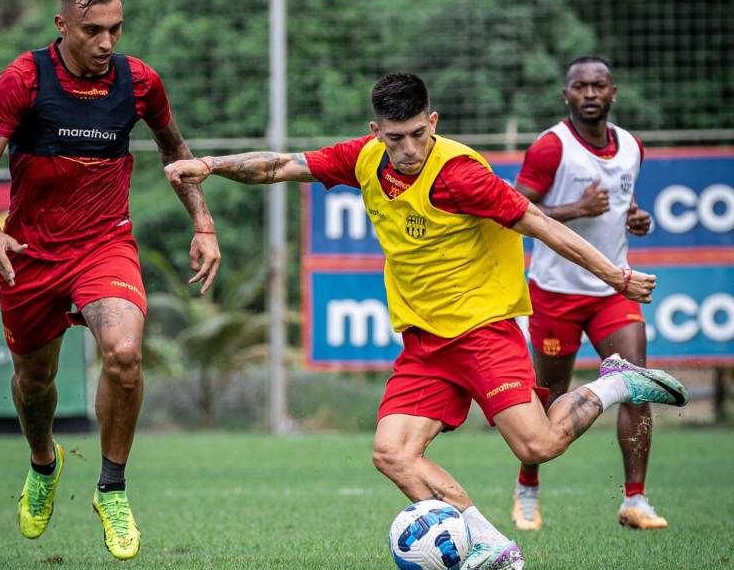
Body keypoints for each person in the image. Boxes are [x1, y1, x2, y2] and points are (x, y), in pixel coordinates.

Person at [164, 72, 688, 570]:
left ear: (432, 122)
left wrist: (615, 275)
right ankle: (492, 546)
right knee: (392, 453)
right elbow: (280, 166)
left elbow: (541, 223)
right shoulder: (366, 159)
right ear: (377, 133)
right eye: (396, 138)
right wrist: (210, 164)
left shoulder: (461, 174)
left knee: (537, 446)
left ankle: (617, 382)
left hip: (484, 331)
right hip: (425, 343)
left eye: (418, 134)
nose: (409, 149)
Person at [0, 0, 220, 560]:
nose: (106, 43)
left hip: (104, 244)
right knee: (35, 384)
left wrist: (202, 222)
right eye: (92, 30)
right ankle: (44, 463)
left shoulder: (140, 82)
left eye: (116, 29)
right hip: (29, 253)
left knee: (124, 354)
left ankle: (112, 487)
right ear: (62, 26)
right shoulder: (22, 81)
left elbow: (176, 153)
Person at [510, 56, 664, 532]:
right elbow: (515, 206)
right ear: (567, 95)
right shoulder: (551, 147)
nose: (591, 94)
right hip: (555, 292)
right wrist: (575, 207)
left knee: (637, 383)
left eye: (599, 86)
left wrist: (636, 217)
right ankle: (527, 490)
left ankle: (635, 500)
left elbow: (622, 201)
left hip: (611, 289)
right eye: (581, 87)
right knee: (549, 395)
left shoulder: (632, 146)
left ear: (613, 92)